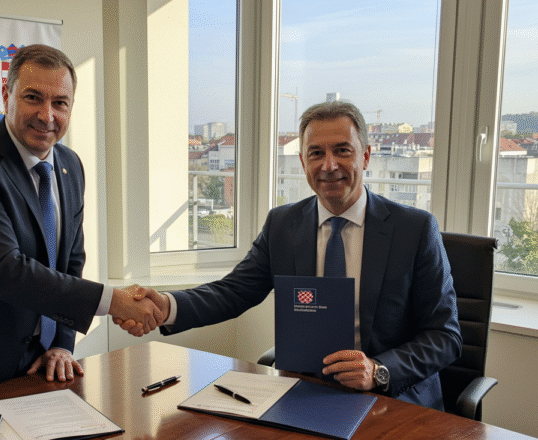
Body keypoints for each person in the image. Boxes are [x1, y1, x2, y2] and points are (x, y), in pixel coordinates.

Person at [119, 101, 461, 410]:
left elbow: (445, 336)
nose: (329, 166)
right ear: (302, 161)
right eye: (315, 154)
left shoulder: (414, 230)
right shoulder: (283, 224)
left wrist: (379, 371)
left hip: (391, 400)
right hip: (304, 391)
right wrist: (167, 306)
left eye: (342, 150)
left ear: (366, 156)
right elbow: (233, 292)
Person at [0, 44, 162, 402]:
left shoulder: (70, 166)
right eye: (33, 98)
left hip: (40, 366)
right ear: (6, 95)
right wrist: (114, 301)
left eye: (60, 103)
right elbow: (6, 271)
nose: (47, 115)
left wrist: (61, 343)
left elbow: (71, 261)